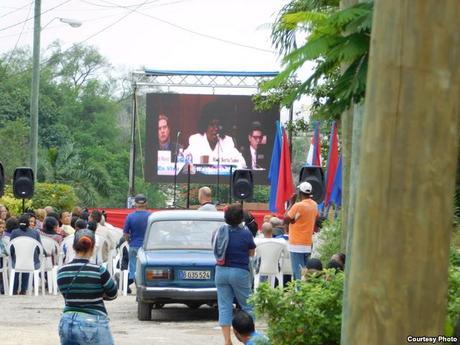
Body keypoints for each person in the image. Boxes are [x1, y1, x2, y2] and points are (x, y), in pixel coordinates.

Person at [57, 229, 117, 345]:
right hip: (92, 322)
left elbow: (66, 294)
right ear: (93, 248)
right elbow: (113, 294)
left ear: (74, 247)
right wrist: (99, 293)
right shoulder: (99, 271)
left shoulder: (62, 271)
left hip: (66, 322)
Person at [213, 203, 256, 345]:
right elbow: (251, 252)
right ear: (240, 218)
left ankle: (227, 340)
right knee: (247, 305)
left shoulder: (219, 231)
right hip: (239, 272)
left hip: (221, 271)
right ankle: (249, 339)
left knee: (224, 306)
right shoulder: (245, 232)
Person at [184, 102, 245, 168]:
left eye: (218, 125)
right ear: (205, 125)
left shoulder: (227, 141)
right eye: (212, 125)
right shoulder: (196, 140)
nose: (216, 128)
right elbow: (185, 162)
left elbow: (242, 163)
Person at [284, 181, 318, 280]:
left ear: (300, 192)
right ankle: (305, 291)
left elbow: (285, 220)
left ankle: (299, 293)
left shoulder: (297, 206)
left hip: (296, 244)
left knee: (298, 273)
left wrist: (291, 203)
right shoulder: (314, 205)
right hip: (307, 243)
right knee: (306, 273)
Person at [10, 214, 44, 294]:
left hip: (17, 262)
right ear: (28, 223)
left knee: (18, 263)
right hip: (33, 263)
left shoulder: (14, 232)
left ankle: (14, 290)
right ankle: (23, 290)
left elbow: (11, 249)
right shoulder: (35, 233)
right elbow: (40, 249)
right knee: (28, 261)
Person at [123, 194, 151, 289]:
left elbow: (126, 234)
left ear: (135, 203)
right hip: (148, 247)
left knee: (134, 267)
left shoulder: (130, 217)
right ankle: (144, 286)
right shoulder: (151, 216)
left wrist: (129, 241)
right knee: (147, 267)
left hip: (134, 245)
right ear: (146, 203)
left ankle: (132, 284)